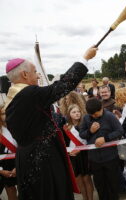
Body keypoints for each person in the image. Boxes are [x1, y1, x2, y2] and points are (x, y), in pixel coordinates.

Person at [3, 47, 97, 200]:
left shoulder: (13, 97)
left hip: (27, 157)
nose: (38, 76)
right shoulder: (29, 94)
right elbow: (62, 86)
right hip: (43, 158)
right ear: (24, 74)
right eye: (34, 72)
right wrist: (84, 58)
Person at [79, 98, 123, 200]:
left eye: (96, 114)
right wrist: (90, 131)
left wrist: (106, 138)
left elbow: (120, 130)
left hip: (110, 157)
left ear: (101, 108)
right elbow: (82, 134)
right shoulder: (86, 118)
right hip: (94, 159)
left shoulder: (110, 116)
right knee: (99, 185)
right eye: (92, 115)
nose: (94, 116)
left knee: (112, 184)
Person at [63, 104, 94, 200]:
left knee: (87, 179)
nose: (77, 114)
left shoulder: (85, 124)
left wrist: (79, 150)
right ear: (69, 114)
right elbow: (64, 143)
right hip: (73, 156)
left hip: (85, 155)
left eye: (78, 112)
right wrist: (69, 152)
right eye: (74, 112)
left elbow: (89, 140)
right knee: (79, 180)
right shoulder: (66, 128)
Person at [0, 107, 18, 200]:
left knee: (25, 189)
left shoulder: (18, 126)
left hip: (19, 162)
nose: (6, 116)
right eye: (3, 114)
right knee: (11, 190)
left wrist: (18, 166)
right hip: (4, 165)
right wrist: (1, 171)